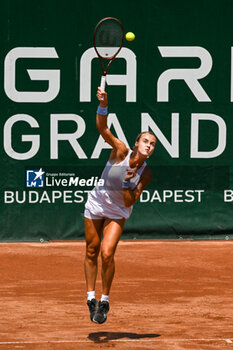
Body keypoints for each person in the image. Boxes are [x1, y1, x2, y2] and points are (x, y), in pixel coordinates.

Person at [84, 87, 156, 324]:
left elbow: (129, 201)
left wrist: (127, 184)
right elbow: (102, 128)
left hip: (117, 210)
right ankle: (90, 298)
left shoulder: (145, 174)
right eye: (145, 141)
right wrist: (103, 104)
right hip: (97, 202)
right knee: (91, 250)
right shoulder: (120, 150)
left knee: (107, 253)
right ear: (136, 143)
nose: (149, 145)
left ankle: (104, 301)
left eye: (153, 144)